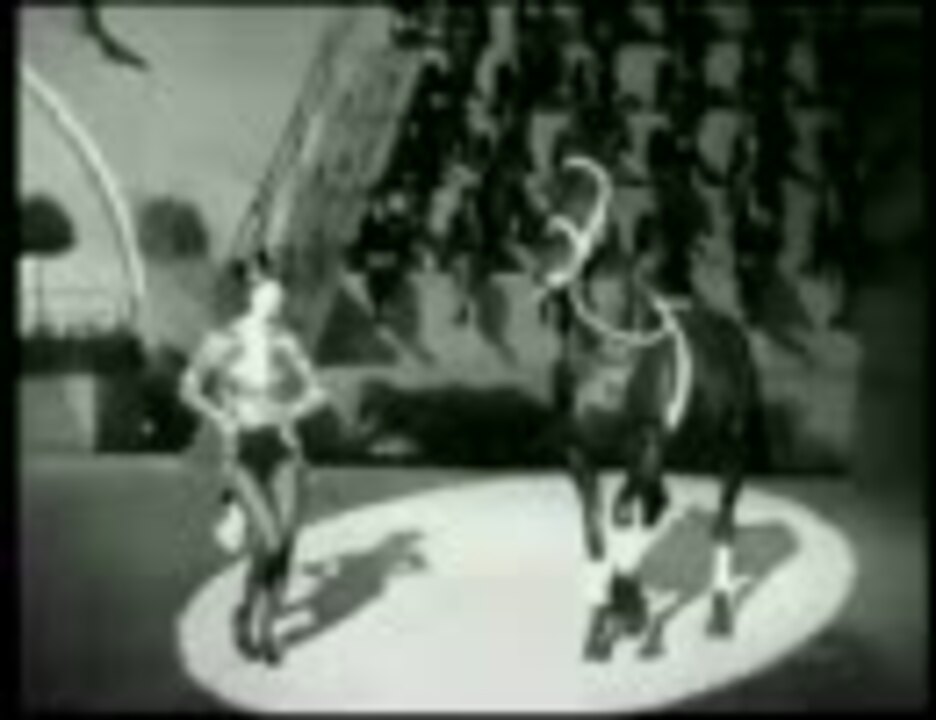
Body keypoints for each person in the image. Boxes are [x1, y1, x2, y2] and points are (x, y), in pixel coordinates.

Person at [180, 265, 327, 664]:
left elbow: (318, 392)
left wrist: (289, 410)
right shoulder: (221, 340)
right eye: (268, 296)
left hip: (283, 447)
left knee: (285, 541)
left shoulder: (286, 340)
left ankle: (267, 629)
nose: (275, 304)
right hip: (241, 451)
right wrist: (220, 417)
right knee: (271, 539)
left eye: (279, 299)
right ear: (252, 296)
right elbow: (188, 388)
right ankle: (244, 613)